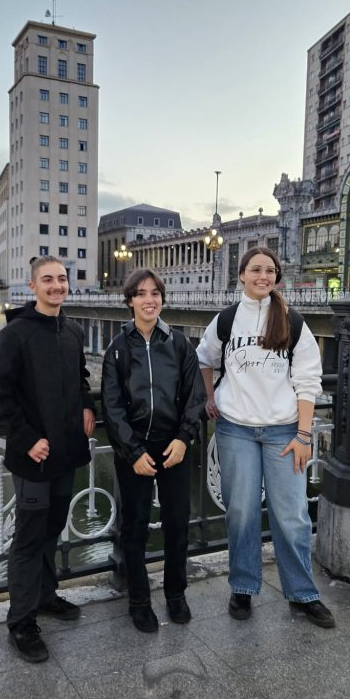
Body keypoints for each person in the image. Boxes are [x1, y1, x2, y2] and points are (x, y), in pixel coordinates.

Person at [196, 246, 334, 628]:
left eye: (270, 270)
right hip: (235, 429)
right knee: (240, 512)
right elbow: (204, 358)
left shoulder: (292, 321)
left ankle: (303, 593)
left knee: (291, 516)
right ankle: (243, 587)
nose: (263, 276)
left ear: (276, 277)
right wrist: (210, 397)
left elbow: (308, 382)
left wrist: (304, 435)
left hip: (284, 432)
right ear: (241, 275)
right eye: (255, 269)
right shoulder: (225, 320)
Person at [0, 256, 96, 662]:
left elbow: (81, 376)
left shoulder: (72, 330)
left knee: (53, 527)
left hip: (66, 450)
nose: (56, 286)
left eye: (62, 279)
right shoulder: (14, 335)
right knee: (29, 538)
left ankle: (46, 596)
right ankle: (21, 622)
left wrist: (87, 405)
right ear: (32, 286)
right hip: (33, 455)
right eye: (48, 280)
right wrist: (28, 438)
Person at [101, 269, 206, 632]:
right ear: (129, 300)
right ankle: (140, 600)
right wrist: (132, 452)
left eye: (156, 293)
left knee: (178, 524)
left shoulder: (178, 344)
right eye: (141, 293)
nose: (150, 299)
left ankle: (176, 595)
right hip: (136, 450)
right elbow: (112, 408)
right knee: (135, 528)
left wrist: (183, 438)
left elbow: (195, 397)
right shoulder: (117, 349)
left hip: (173, 446)